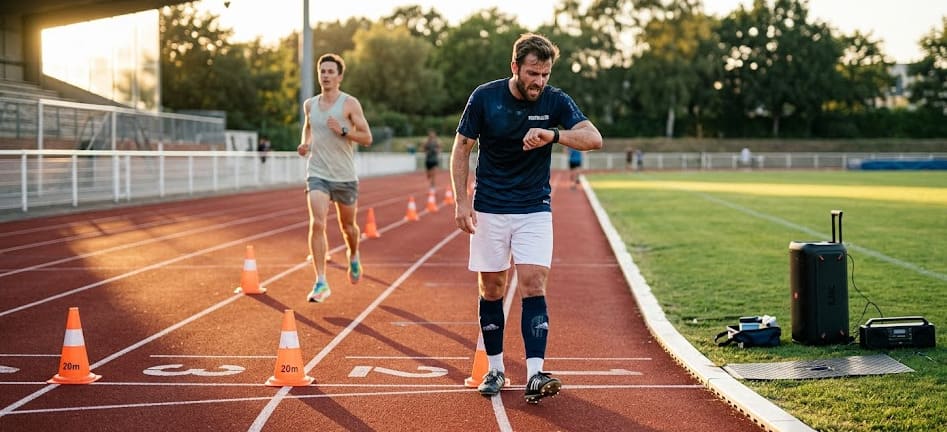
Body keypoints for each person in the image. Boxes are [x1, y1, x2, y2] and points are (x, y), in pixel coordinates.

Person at [450, 33, 603, 404]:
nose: (539, 81)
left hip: (534, 208)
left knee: (534, 283)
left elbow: (593, 138)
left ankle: (535, 374)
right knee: (493, 290)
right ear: (515, 67)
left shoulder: (555, 101)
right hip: (489, 207)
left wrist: (553, 135)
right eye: (533, 72)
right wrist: (461, 202)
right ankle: (496, 368)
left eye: (545, 74)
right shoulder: (484, 97)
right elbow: (462, 148)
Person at [297, 53, 373, 303]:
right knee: (317, 223)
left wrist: (342, 130)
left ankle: (353, 255)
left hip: (344, 176)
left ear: (339, 77)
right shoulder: (310, 104)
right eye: (322, 71)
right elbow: (308, 126)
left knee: (347, 227)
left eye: (331, 71)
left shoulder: (349, 104)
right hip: (317, 172)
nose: (326, 75)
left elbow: (367, 137)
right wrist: (305, 144)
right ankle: (321, 282)